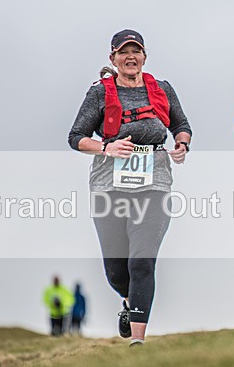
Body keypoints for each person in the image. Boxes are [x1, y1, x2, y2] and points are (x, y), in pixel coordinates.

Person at [68, 29, 192, 347]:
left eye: (136, 51)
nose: (130, 56)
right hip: (109, 184)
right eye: (124, 52)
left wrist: (181, 145)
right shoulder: (99, 92)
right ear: (113, 58)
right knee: (116, 270)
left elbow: (181, 125)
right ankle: (127, 300)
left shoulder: (161, 89)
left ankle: (137, 341)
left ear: (144, 57)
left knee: (142, 261)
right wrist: (105, 148)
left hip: (155, 181)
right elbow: (76, 137)